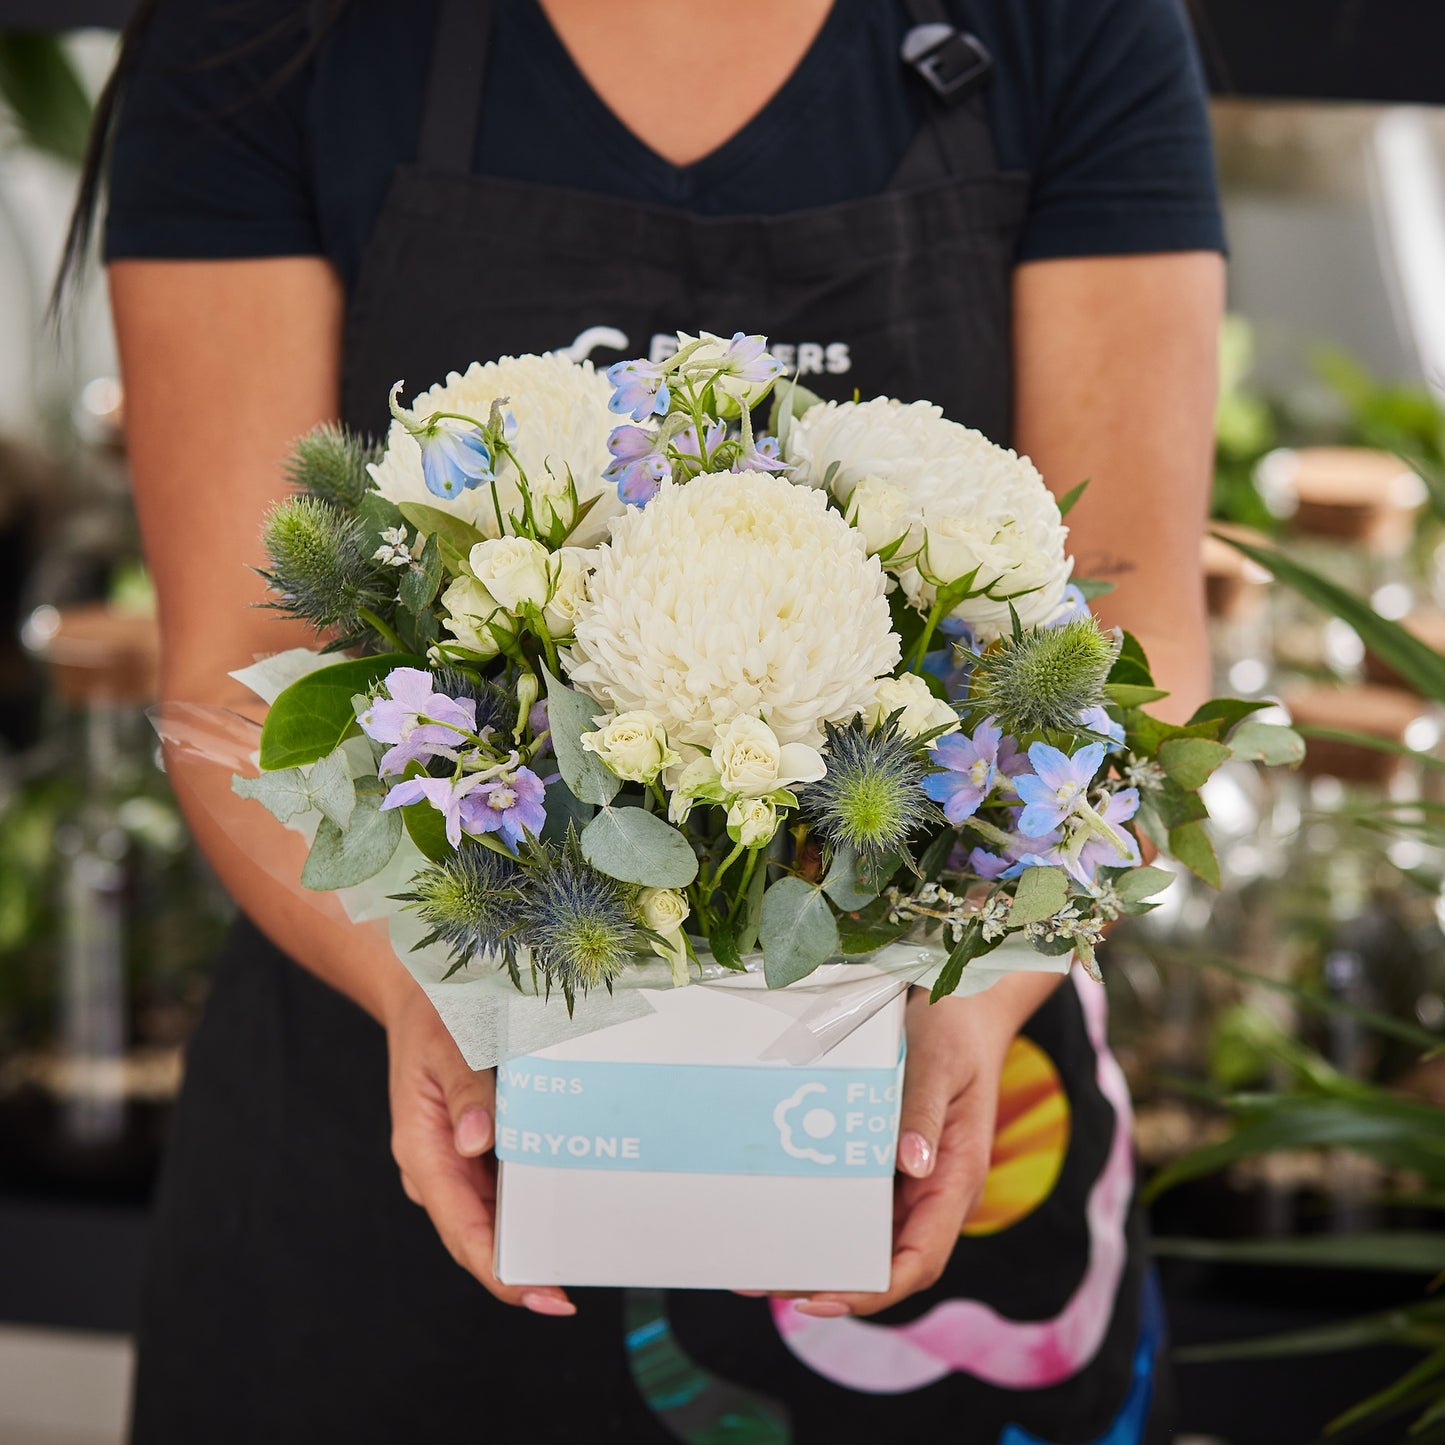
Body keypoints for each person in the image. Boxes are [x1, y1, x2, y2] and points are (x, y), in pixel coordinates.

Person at [82, 0, 1224, 1439]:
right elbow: (236, 678)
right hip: (394, 1159)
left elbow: (1134, 640)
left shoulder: (1072, 24)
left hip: (933, 1138)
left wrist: (970, 987)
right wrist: (428, 983)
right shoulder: (259, 35)